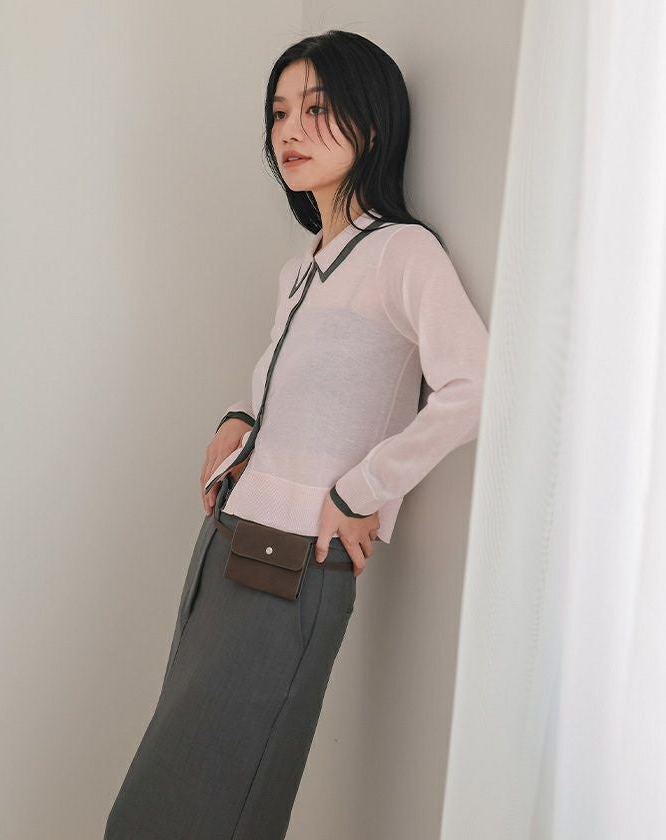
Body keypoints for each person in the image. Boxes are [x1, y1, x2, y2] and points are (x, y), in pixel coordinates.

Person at [104, 29, 489, 840]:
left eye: (317, 109)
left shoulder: (402, 253)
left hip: (295, 562)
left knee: (204, 804)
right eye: (279, 112)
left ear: (371, 125)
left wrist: (362, 490)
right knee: (176, 790)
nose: (289, 130)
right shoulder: (301, 267)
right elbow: (293, 393)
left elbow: (474, 387)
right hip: (226, 540)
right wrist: (241, 419)